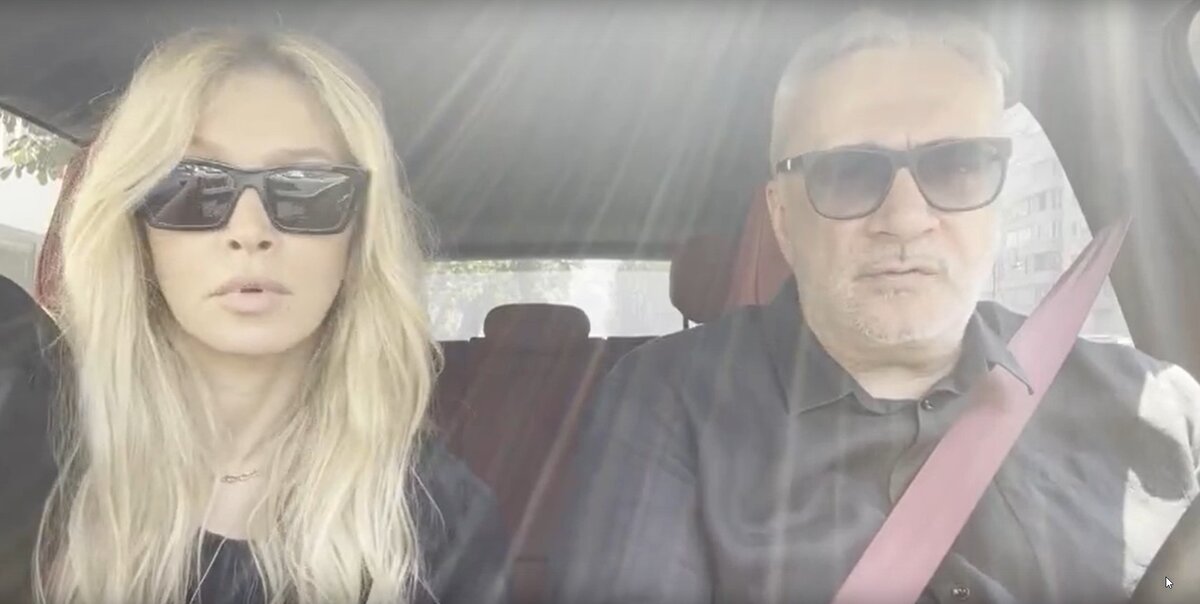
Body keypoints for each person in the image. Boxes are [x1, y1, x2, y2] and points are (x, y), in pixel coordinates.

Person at [551, 8, 1200, 604]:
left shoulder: (1161, 405)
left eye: (957, 166)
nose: (906, 218)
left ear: (997, 199)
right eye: (848, 173)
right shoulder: (669, 405)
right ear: (782, 218)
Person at [0, 29, 509, 604]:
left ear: (357, 239)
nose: (249, 231)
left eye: (305, 188)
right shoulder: (34, 452)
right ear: (138, 230)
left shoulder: (445, 520)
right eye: (192, 186)